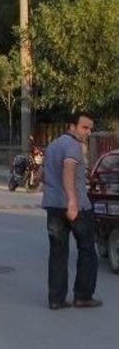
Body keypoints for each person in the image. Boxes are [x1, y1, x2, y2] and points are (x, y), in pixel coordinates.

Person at [42, 112, 101, 310]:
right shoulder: (73, 146)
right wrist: (73, 202)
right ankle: (83, 296)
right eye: (85, 127)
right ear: (72, 126)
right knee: (87, 250)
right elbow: (68, 169)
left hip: (53, 206)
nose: (88, 132)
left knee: (58, 253)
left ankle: (56, 299)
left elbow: (44, 173)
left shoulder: (52, 145)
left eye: (90, 128)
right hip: (76, 207)